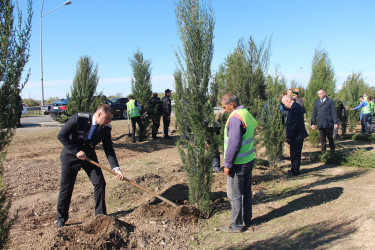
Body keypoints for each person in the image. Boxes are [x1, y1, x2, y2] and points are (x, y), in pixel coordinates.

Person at [56, 104, 124, 228]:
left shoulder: (106, 128)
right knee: (66, 187)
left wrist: (116, 169)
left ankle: (100, 216)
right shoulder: (79, 118)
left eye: (111, 119)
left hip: (88, 156)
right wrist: (76, 150)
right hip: (71, 155)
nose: (109, 121)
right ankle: (61, 219)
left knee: (100, 183)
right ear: (99, 114)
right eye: (107, 118)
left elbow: (109, 149)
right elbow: (61, 136)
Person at [220, 93, 257, 233]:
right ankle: (247, 219)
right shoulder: (245, 113)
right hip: (248, 159)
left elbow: (234, 143)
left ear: (231, 104)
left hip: (238, 163)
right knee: (246, 192)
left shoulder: (235, 118)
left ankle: (236, 225)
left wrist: (228, 164)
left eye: (224, 107)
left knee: (234, 195)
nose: (224, 110)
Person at [282, 95, 308, 176]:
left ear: (288, 100)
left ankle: (295, 171)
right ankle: (294, 169)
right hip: (297, 134)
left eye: (284, 103)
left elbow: (293, 124)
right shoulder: (296, 106)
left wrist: (289, 136)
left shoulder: (294, 108)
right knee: (294, 153)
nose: (284, 105)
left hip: (296, 135)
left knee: (295, 153)